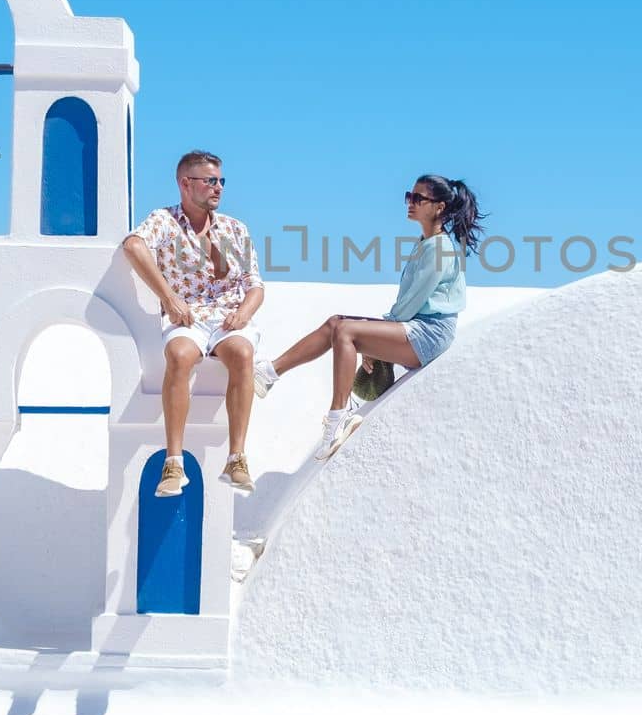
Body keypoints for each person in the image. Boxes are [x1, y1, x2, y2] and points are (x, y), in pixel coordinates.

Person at [254, 175, 483, 461]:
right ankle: (269, 373)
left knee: (347, 332)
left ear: (439, 207)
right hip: (413, 325)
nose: (410, 203)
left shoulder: (440, 249)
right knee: (336, 322)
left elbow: (411, 303)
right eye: (408, 196)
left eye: (418, 199)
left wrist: (373, 337)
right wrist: (375, 338)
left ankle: (339, 416)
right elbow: (406, 304)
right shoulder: (425, 243)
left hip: (429, 334)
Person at [122, 150, 263, 495]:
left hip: (228, 318)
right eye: (210, 181)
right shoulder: (164, 221)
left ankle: (237, 458)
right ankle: (174, 462)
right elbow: (133, 245)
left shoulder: (235, 229)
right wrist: (169, 298)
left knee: (242, 354)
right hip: (187, 316)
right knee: (181, 355)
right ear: (186, 184)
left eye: (221, 181)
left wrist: (244, 313)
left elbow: (255, 285)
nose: (218, 188)